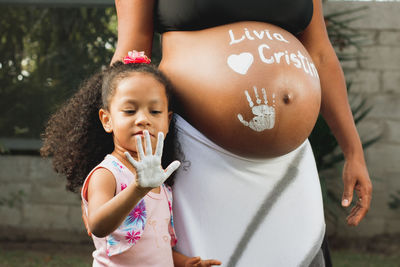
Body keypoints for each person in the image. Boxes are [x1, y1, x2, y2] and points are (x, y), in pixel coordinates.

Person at [111, 0, 373, 266]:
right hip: (195, 152)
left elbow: (320, 55)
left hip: (288, 164)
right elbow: (132, 50)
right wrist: (113, 166)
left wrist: (354, 152)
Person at [40, 52, 222, 267]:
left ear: (168, 119)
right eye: (129, 110)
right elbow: (97, 225)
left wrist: (184, 262)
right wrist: (137, 188)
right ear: (107, 120)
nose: (144, 119)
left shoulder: (159, 180)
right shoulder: (107, 174)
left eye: (155, 111)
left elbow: (153, 247)